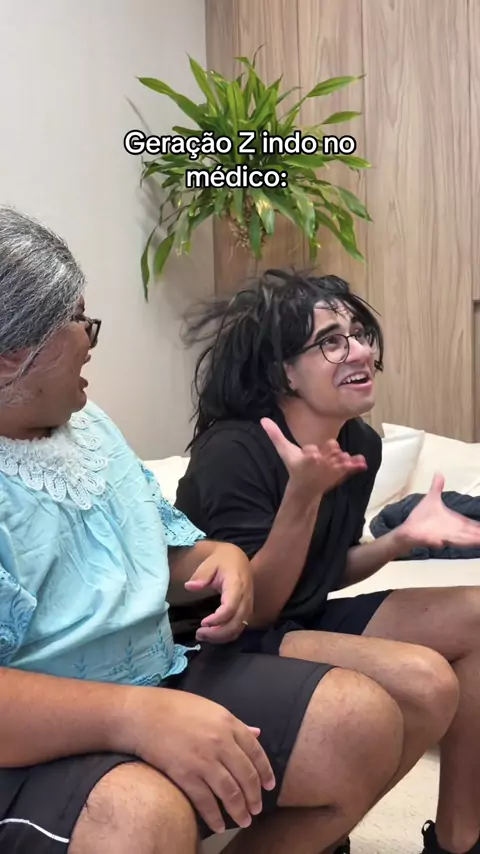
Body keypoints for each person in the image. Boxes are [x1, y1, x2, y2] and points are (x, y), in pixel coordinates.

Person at [0, 208, 424, 854]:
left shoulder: (89, 425)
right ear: (11, 354)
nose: (90, 339)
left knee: (360, 723)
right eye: (78, 320)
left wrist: (218, 557)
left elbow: (153, 552)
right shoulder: (236, 450)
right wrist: (136, 717)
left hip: (160, 670)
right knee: (145, 815)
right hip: (42, 730)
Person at [175, 268, 480, 854]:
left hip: (294, 622)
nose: (359, 351)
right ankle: (320, 832)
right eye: (331, 342)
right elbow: (256, 610)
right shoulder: (233, 450)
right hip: (217, 643)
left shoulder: (358, 442)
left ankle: (458, 840)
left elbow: (324, 572)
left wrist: (399, 540)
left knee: (474, 614)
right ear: (283, 371)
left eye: (359, 334)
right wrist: (302, 496)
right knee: (425, 681)